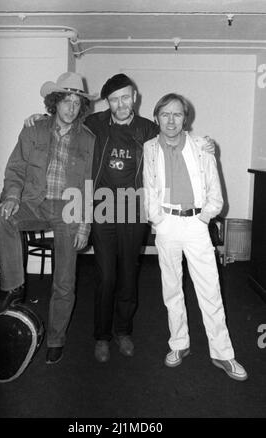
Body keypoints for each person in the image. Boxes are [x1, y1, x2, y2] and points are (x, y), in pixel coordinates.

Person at [25, 73, 215, 364]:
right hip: (102, 210)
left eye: (126, 97)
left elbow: (178, 138)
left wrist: (204, 144)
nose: (121, 103)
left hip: (134, 210)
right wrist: (40, 116)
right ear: (109, 103)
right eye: (114, 99)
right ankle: (101, 336)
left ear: (135, 97)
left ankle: (123, 331)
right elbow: (64, 122)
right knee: (106, 276)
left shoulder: (149, 129)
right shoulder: (95, 123)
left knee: (128, 274)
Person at [0, 72, 97, 365]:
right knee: (0, 217)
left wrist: (85, 224)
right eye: (66, 100)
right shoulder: (33, 129)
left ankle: (56, 339)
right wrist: (12, 197)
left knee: (64, 280)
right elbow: (15, 169)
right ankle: (15, 285)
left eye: (77, 103)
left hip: (68, 211)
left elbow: (89, 183)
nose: (71, 108)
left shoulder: (88, 140)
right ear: (55, 101)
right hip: (34, 203)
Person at [143, 92, 248, 381]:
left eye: (177, 114)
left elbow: (216, 191)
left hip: (196, 225)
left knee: (210, 290)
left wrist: (204, 216)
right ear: (157, 118)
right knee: (171, 289)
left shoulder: (202, 146)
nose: (171, 120)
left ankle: (223, 353)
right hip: (167, 226)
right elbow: (149, 187)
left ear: (185, 118)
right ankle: (179, 344)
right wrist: (158, 220)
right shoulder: (149, 148)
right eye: (165, 114)